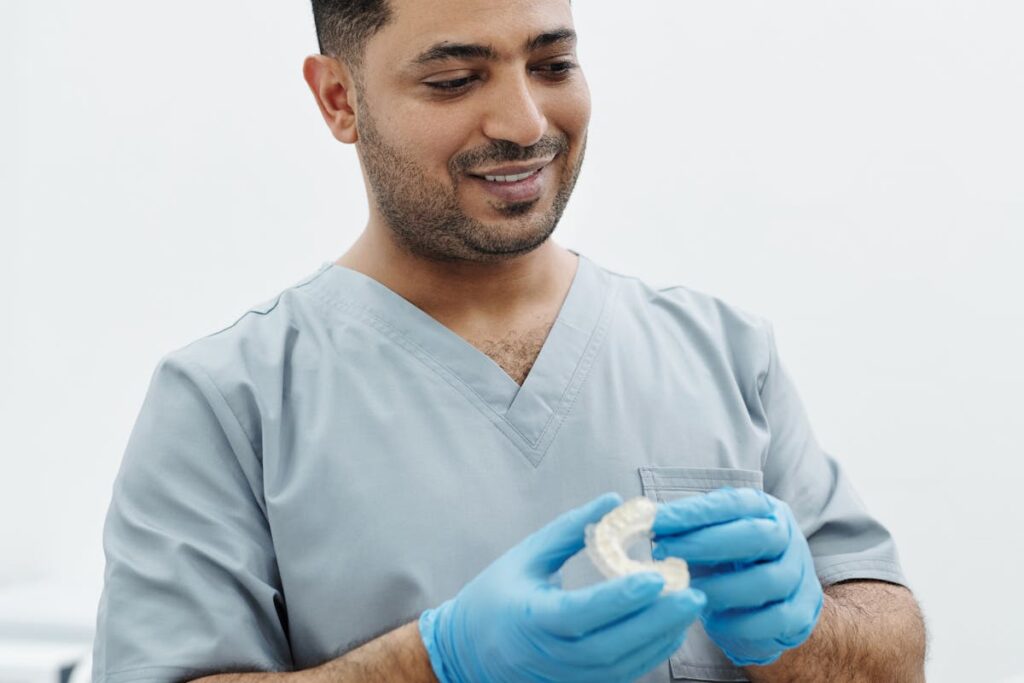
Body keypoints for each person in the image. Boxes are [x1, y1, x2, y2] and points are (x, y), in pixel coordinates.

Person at [91, 1, 927, 681]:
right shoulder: (227, 405)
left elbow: (894, 655)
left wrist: (806, 635)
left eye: (553, 65)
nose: (525, 122)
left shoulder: (724, 352)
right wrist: (438, 659)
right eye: (455, 80)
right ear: (340, 100)